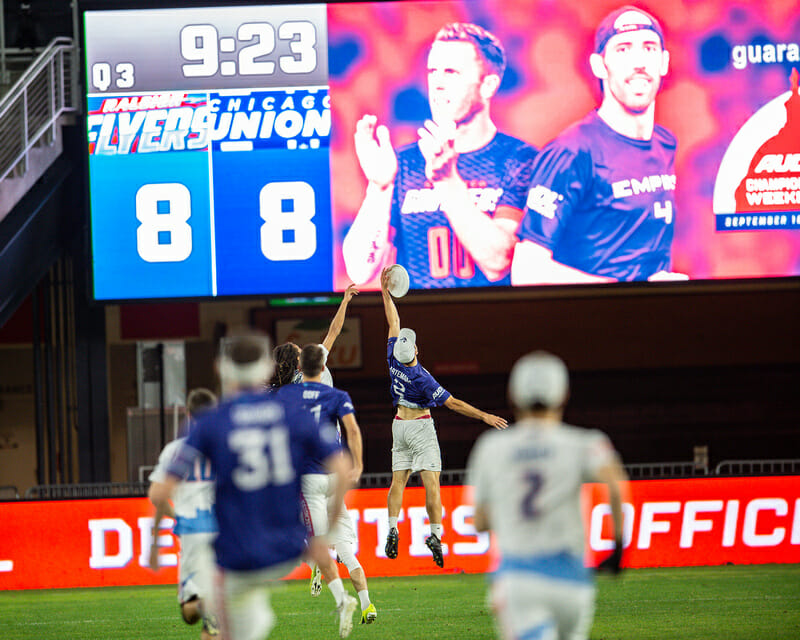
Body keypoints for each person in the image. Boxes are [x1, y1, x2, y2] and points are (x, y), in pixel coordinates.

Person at [149, 332, 358, 640]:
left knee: (217, 620)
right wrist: (324, 534)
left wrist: (155, 543)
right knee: (246, 617)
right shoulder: (292, 413)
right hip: (284, 549)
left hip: (237, 552)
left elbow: (161, 492)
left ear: (222, 369)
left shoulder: (213, 421)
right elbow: (341, 465)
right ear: (263, 368)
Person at [342, 22, 538, 290]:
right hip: (420, 325)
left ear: (488, 86)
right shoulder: (403, 164)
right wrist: (380, 187)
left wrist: (447, 181)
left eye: (451, 72)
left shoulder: (520, 159)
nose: (438, 83)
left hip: (494, 322)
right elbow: (359, 270)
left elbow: (499, 262)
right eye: (432, 71)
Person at [512, 5, 688, 285]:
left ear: (664, 62)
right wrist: (627, 294)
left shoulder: (665, 143)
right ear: (599, 66)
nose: (639, 62)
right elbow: (527, 271)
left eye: (649, 48)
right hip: (592, 323)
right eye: (623, 50)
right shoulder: (571, 152)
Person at [466, 351, 628, 640]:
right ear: (563, 394)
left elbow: (479, 522)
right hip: (572, 580)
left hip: (520, 579)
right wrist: (617, 546)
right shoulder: (585, 442)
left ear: (512, 395)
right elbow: (615, 484)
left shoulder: (492, 447)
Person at [380, 266, 507, 567]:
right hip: (421, 427)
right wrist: (484, 416)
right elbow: (454, 404)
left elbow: (393, 320)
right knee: (431, 483)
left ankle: (392, 528)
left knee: (398, 481)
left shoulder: (391, 358)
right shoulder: (422, 378)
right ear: (416, 349)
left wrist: (385, 292)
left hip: (398, 425)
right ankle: (435, 534)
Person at [275, 344, 376, 625]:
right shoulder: (336, 395)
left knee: (318, 545)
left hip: (310, 480)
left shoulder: (286, 394)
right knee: (344, 547)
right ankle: (367, 604)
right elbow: (353, 430)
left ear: (298, 367)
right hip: (335, 478)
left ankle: (342, 600)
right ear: (323, 367)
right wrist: (358, 465)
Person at [149, 387, 219, 639]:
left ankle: (210, 608)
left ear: (188, 414)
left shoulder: (176, 450)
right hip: (221, 533)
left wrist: (157, 541)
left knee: (190, 611)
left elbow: (156, 496)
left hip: (191, 531)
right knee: (197, 612)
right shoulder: (223, 447)